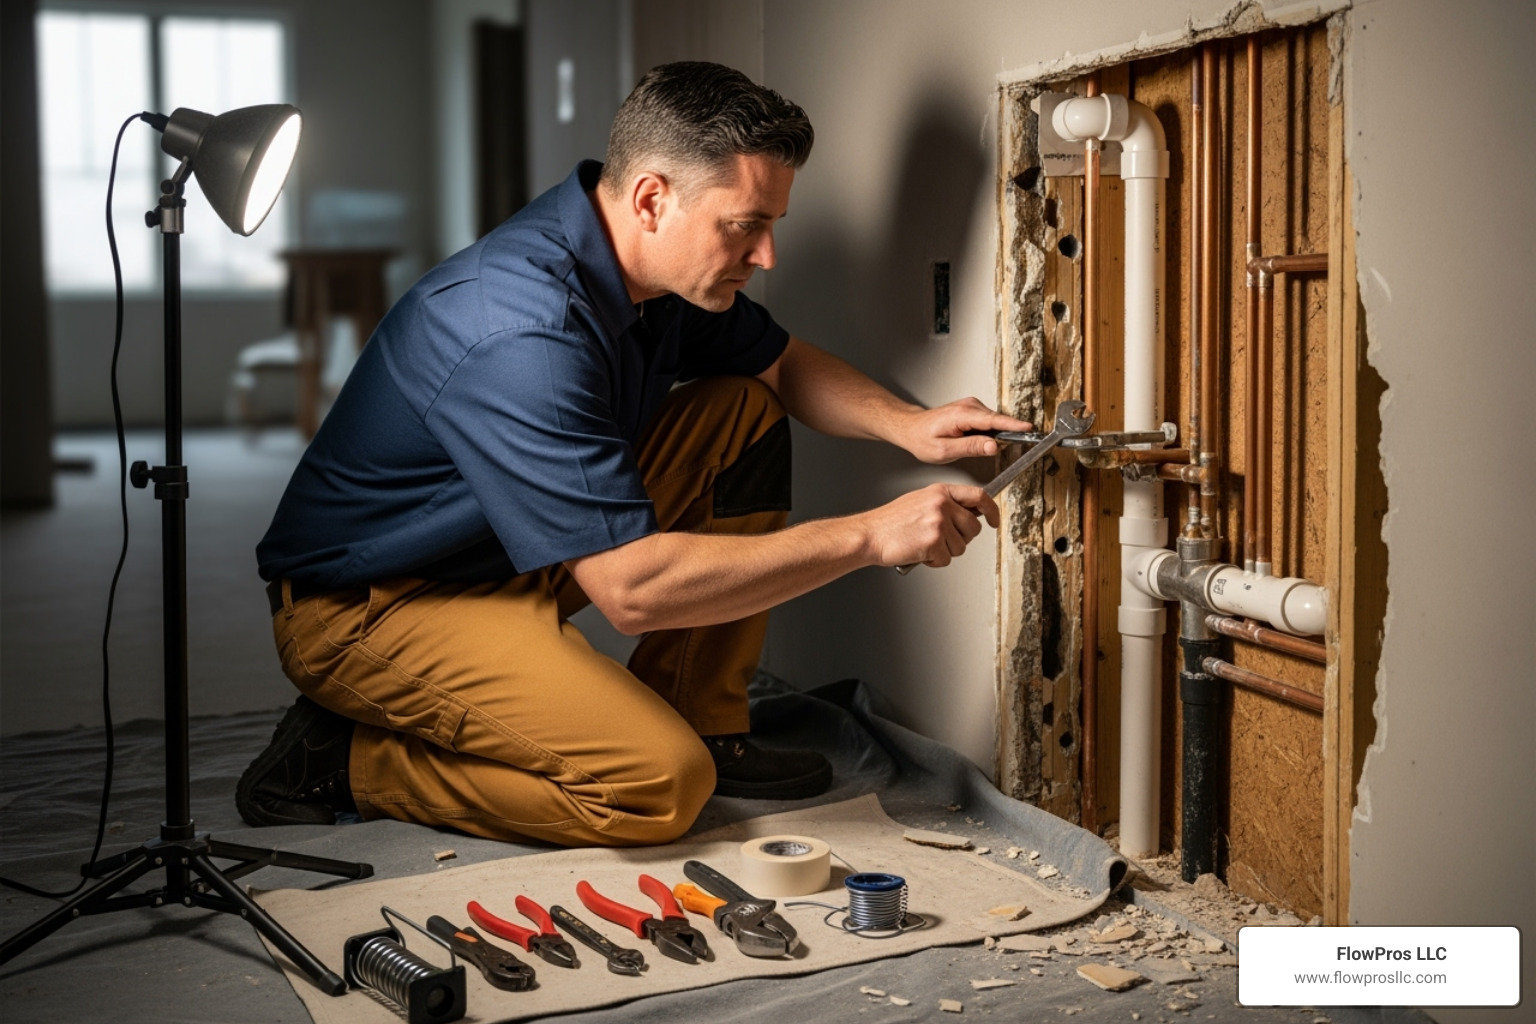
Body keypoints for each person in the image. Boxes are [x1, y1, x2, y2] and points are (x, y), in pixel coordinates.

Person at [239, 61, 1029, 848]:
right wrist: (869, 536)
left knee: (743, 410)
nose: (766, 256)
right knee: (657, 786)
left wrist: (909, 425)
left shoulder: (654, 272)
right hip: (376, 604)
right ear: (652, 199)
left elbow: (781, 366)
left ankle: (703, 715)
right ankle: (344, 760)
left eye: (772, 225)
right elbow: (633, 591)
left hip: (504, 551)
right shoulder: (521, 331)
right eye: (745, 225)